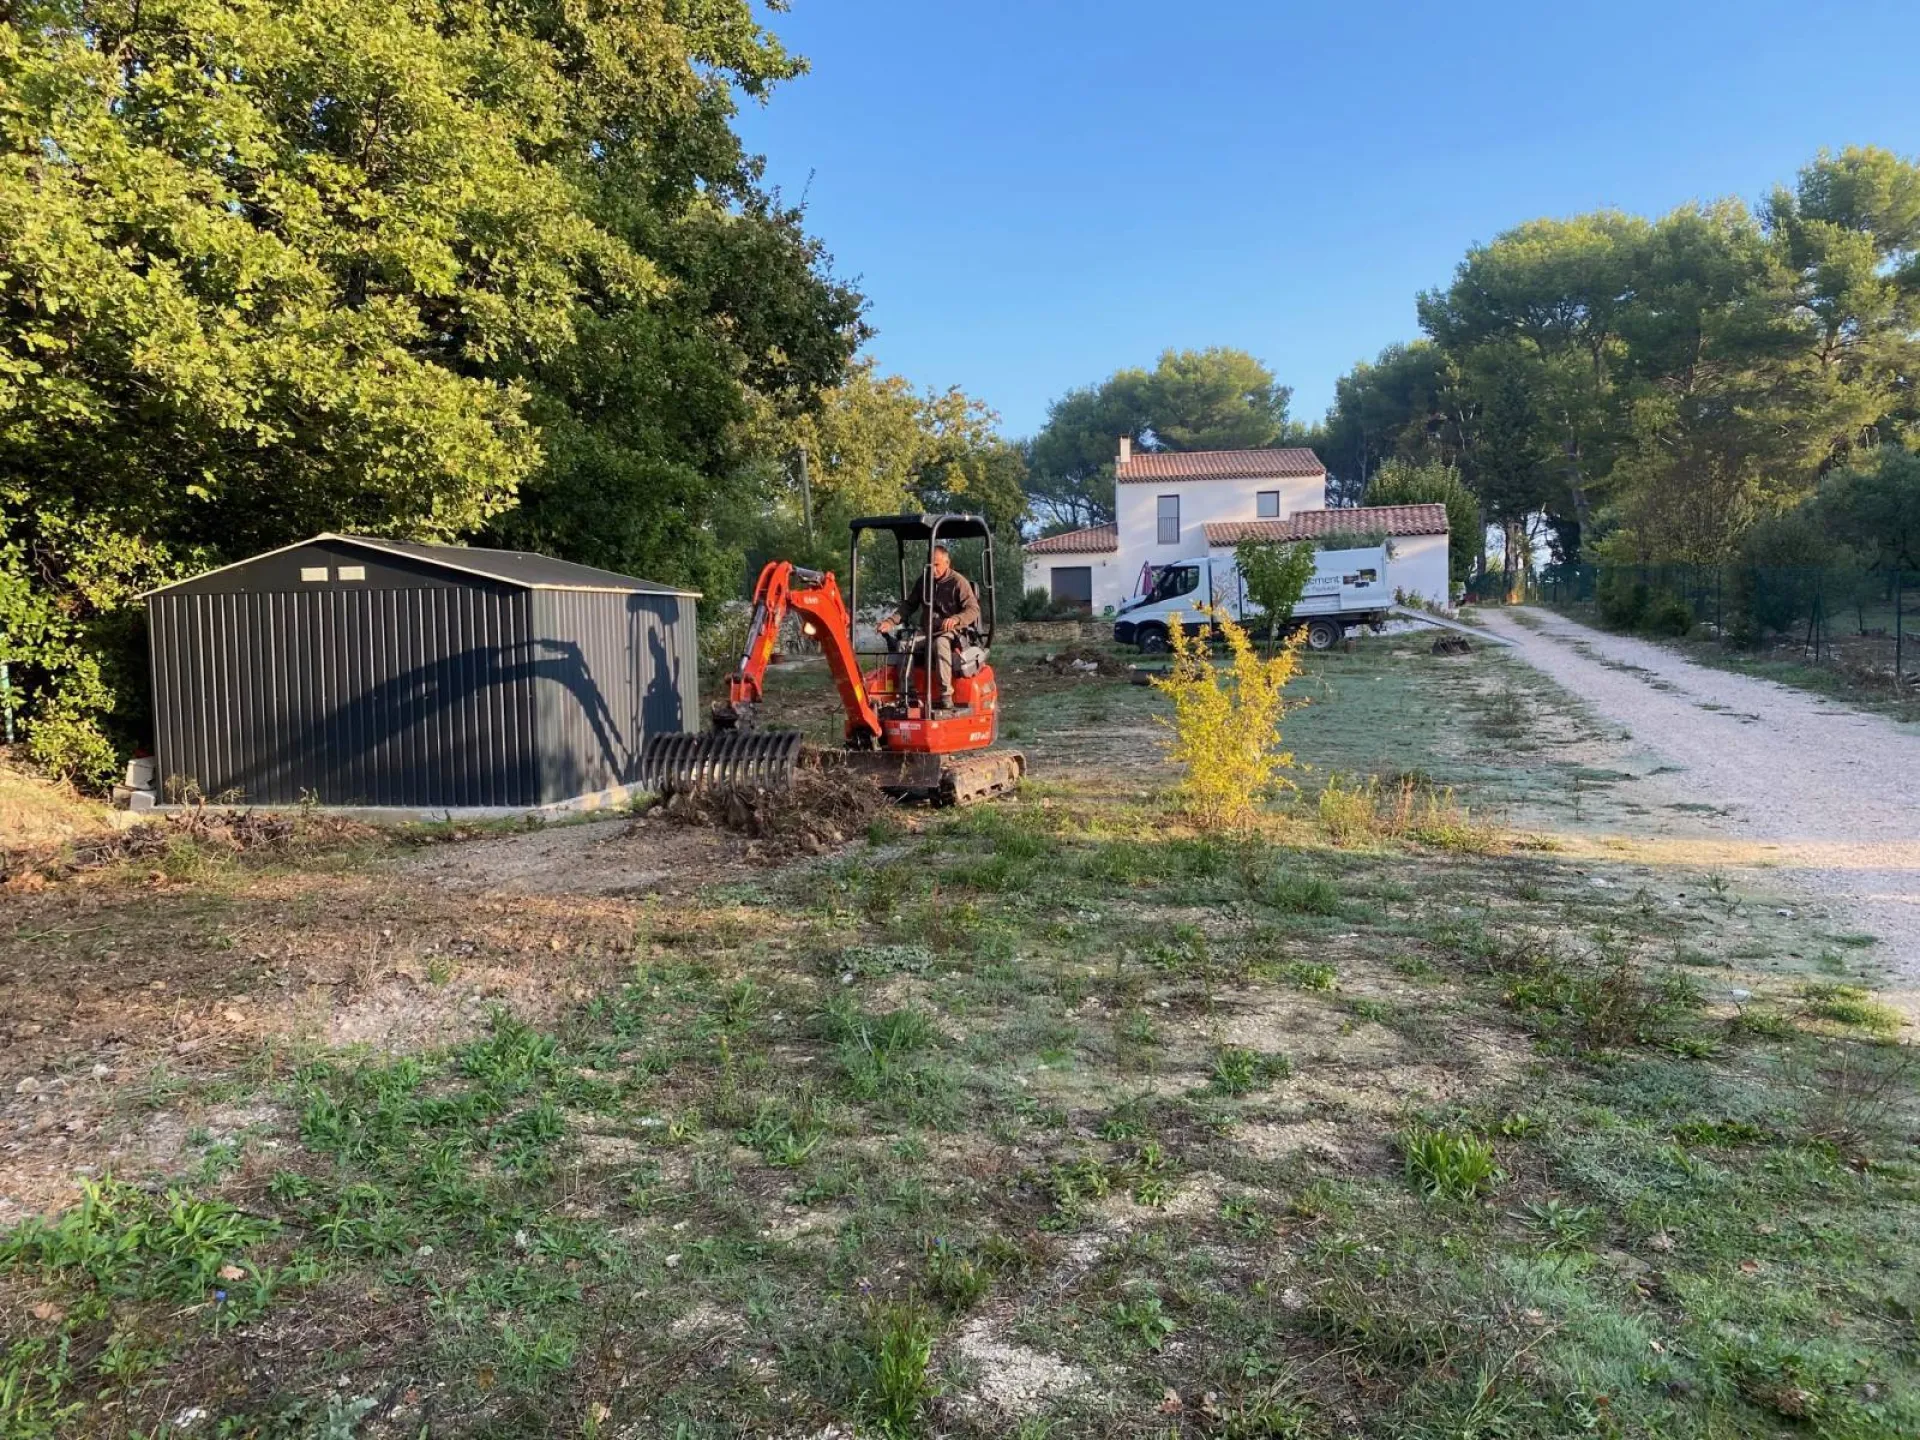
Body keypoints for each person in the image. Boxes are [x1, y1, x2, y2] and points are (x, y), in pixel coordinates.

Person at [878, 542, 980, 711]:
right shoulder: (924, 582)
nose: (933, 569)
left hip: (949, 631)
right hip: (927, 630)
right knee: (905, 645)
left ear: (947, 563)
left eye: (937, 565)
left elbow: (973, 609)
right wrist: (890, 621)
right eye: (930, 565)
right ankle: (908, 694)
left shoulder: (958, 582)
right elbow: (909, 606)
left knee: (939, 644)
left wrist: (956, 619)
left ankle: (946, 695)